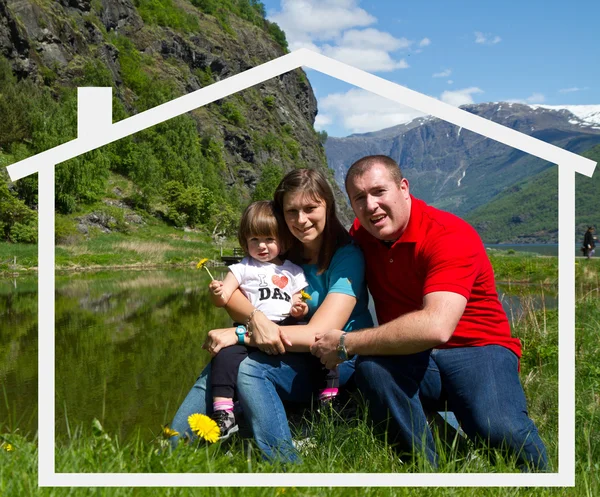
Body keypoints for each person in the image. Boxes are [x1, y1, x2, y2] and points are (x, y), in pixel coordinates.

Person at [311, 155, 548, 471]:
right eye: (359, 198)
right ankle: (426, 468)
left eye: (379, 192)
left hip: (478, 349)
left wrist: (345, 342)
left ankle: (540, 477)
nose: (371, 206)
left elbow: (437, 327)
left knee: (496, 429)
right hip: (415, 356)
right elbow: (311, 249)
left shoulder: (448, 234)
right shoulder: (362, 235)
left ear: (404, 188)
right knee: (373, 370)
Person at [170, 169, 373, 462]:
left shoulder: (346, 256)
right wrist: (255, 318)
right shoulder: (283, 252)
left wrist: (240, 334)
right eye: (292, 211)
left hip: (334, 359)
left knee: (249, 368)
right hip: (292, 349)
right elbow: (235, 294)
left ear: (328, 204)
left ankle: (286, 468)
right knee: (220, 365)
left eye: (310, 208)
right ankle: (169, 454)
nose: (301, 219)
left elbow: (320, 333)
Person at [205, 200, 310, 440]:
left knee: (305, 346)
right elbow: (224, 298)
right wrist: (217, 293)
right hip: (249, 327)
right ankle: (224, 413)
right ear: (245, 241)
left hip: (286, 326)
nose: (262, 246)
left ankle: (321, 398)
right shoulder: (242, 268)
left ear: (282, 241)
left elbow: (298, 302)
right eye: (255, 240)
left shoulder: (293, 270)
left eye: (269, 240)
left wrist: (299, 309)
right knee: (225, 356)